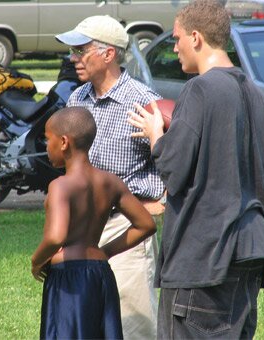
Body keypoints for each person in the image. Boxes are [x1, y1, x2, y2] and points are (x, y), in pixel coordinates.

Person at [128, 1, 264, 338]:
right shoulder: (256, 94)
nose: (175, 45)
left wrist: (156, 136)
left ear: (195, 37)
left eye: (178, 37)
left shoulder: (200, 89)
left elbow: (174, 170)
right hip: (252, 249)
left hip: (205, 255)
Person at [55, 15, 165, 339]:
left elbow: (169, 162)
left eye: (81, 50)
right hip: (84, 228)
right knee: (84, 321)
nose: (73, 58)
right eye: (73, 51)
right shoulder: (77, 100)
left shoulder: (144, 102)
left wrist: (157, 201)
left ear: (108, 54)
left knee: (133, 324)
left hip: (128, 227)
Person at [31, 107, 156, 339]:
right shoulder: (111, 181)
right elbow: (146, 225)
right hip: (101, 274)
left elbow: (55, 237)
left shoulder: (60, 185)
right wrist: (103, 252)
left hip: (68, 275)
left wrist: (36, 262)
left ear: (64, 142)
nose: (46, 147)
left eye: (48, 139)